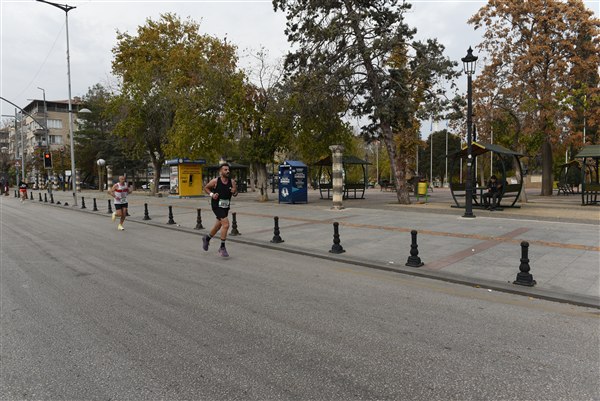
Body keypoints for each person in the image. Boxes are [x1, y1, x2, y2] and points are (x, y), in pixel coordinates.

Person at [202, 163, 238, 257]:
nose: (228, 171)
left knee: (218, 226)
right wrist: (212, 195)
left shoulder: (232, 182)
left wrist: (234, 192)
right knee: (226, 224)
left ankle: (207, 238)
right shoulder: (215, 181)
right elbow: (206, 188)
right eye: (225, 170)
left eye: (228, 169)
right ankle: (222, 247)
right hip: (216, 206)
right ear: (221, 171)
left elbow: (235, 193)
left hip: (226, 206)